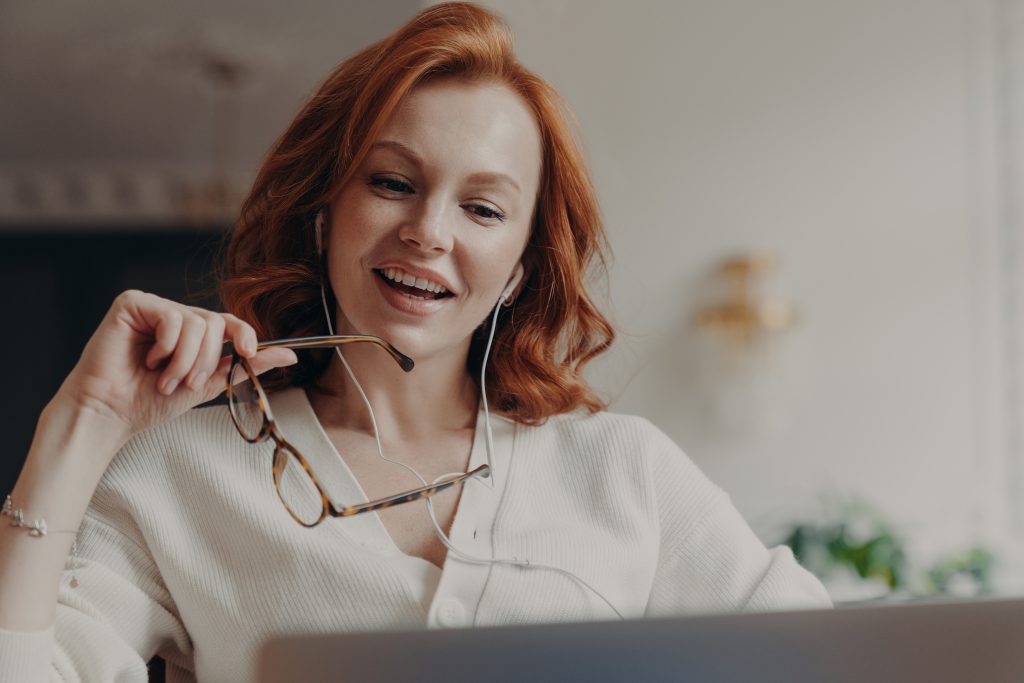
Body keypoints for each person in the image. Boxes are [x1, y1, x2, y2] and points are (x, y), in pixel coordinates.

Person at [0, 3, 830, 681]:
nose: (428, 231)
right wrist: (88, 418)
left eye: (483, 208)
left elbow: (829, 662)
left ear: (518, 267)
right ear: (325, 214)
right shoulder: (179, 474)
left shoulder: (624, 470)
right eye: (393, 182)